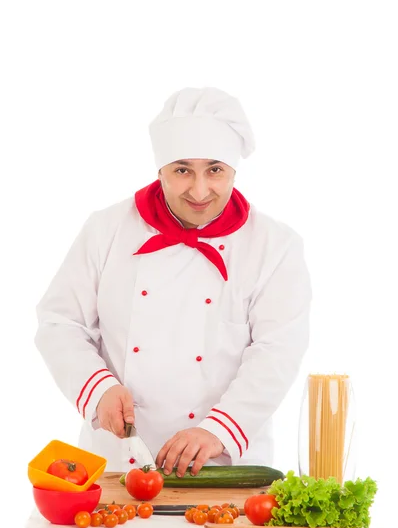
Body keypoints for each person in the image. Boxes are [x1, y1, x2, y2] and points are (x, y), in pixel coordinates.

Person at [34, 86, 312, 477]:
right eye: (182, 170)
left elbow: (277, 351)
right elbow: (60, 323)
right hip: (119, 462)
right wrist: (98, 390)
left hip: (225, 466)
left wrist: (217, 429)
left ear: (234, 170)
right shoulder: (106, 230)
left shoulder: (275, 246)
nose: (199, 191)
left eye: (214, 170)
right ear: (160, 169)